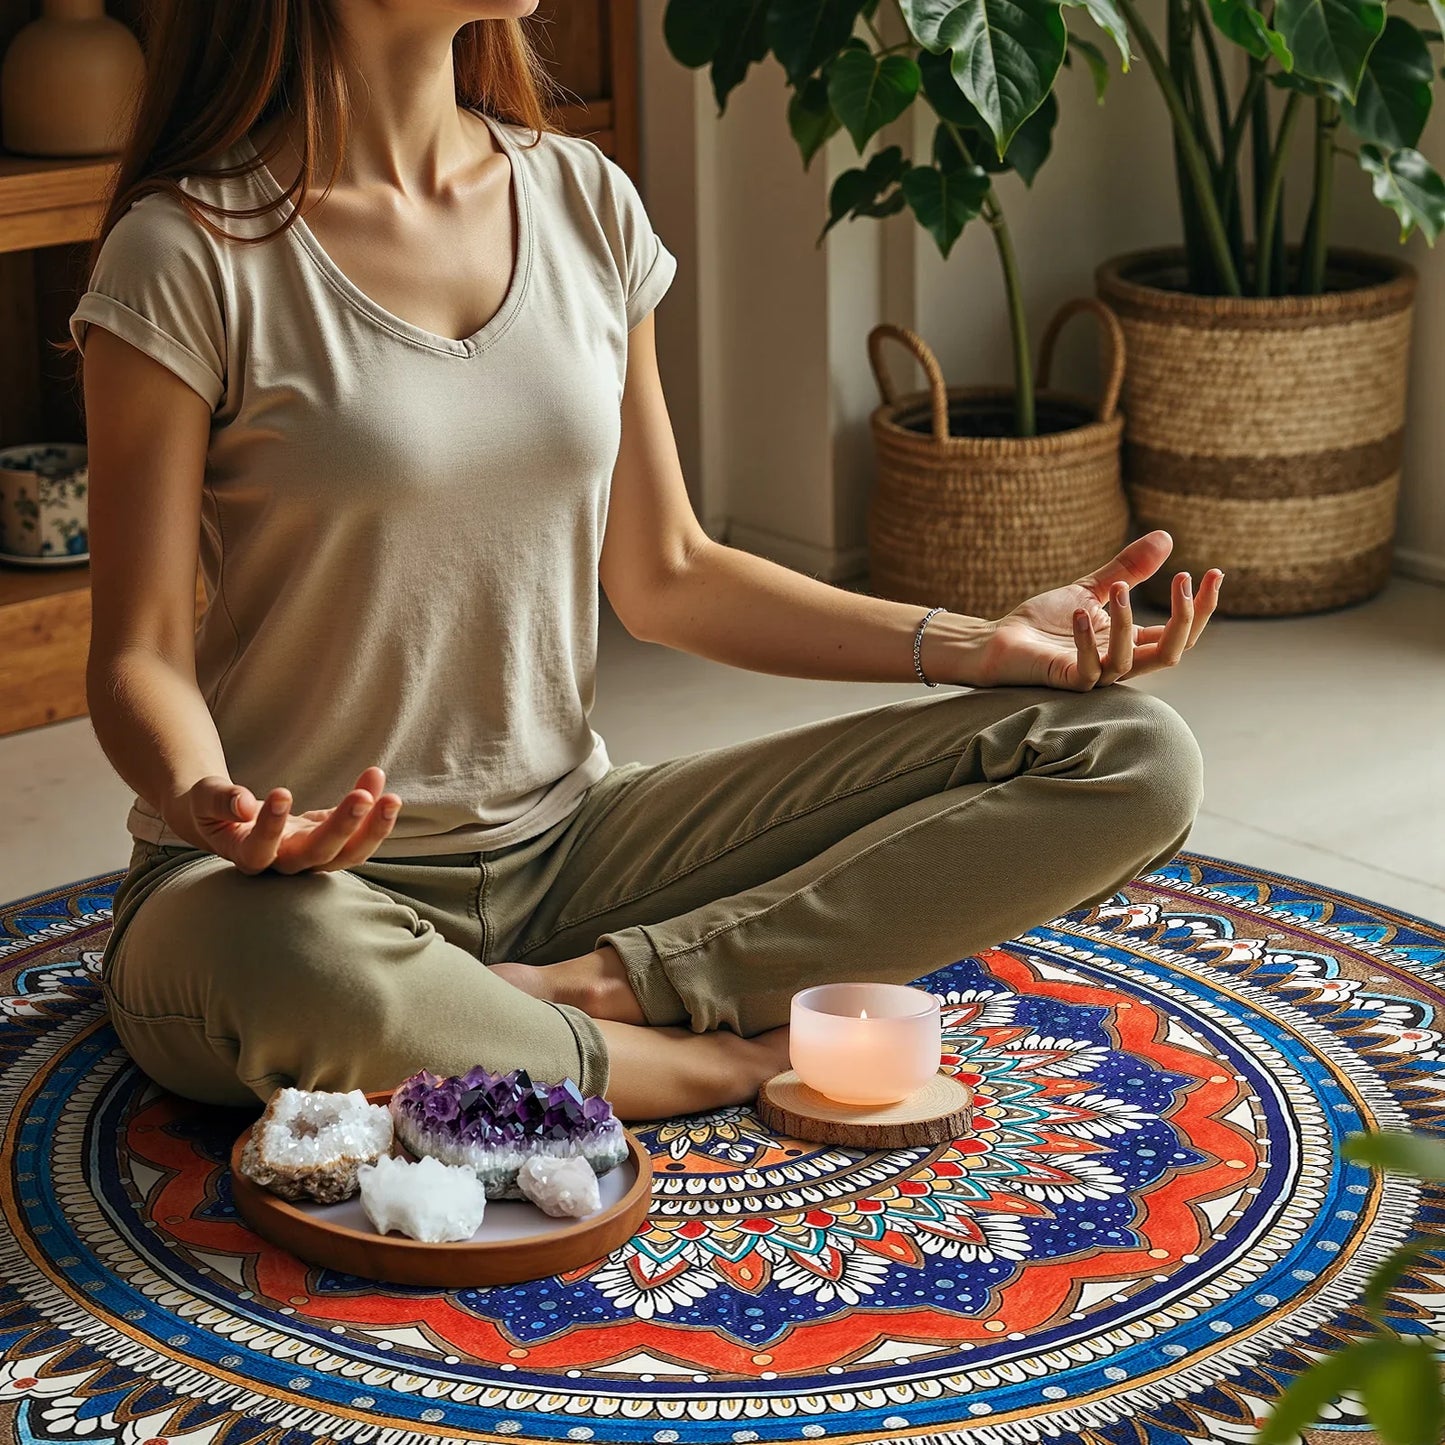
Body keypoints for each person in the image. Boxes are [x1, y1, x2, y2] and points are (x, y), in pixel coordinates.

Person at [74, 0, 1220, 1124]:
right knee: (294, 967)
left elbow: (668, 569)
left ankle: (602, 993)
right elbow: (138, 653)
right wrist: (204, 796)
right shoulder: (186, 250)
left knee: (1127, 753)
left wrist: (978, 644)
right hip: (284, 890)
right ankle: (693, 1067)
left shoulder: (585, 202)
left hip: (568, 857)